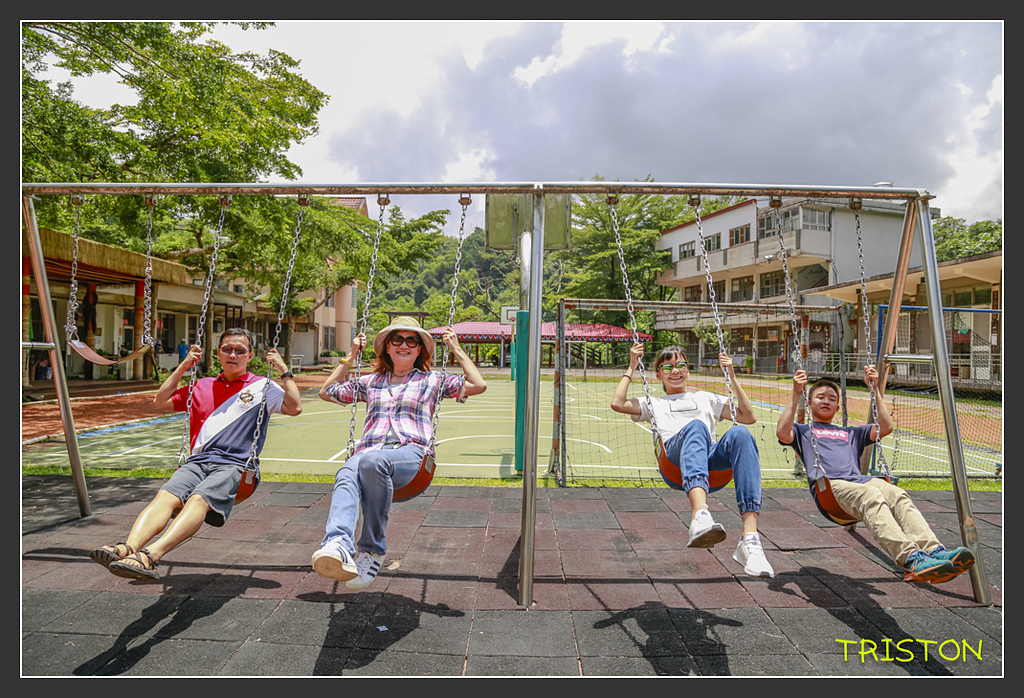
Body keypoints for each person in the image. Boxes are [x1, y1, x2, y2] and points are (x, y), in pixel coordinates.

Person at [89, 327, 302, 581]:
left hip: (234, 464)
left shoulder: (262, 387)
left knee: (199, 499)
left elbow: (294, 407)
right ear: (218, 354)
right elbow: (160, 402)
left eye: (240, 350)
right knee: (165, 497)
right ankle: (127, 548)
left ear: (250, 355)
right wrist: (183, 366)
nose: (232, 355)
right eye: (227, 349)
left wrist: (284, 371)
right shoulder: (201, 385)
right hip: (197, 462)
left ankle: (150, 556)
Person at [312, 316, 487, 591]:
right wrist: (350, 356)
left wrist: (456, 348)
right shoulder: (370, 382)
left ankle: (372, 550)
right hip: (372, 451)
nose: (404, 345)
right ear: (387, 348)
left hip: (411, 456)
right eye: (397, 339)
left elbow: (478, 384)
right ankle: (338, 544)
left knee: (369, 461)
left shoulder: (432, 380)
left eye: (411, 341)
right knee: (349, 469)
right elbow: (326, 392)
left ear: (419, 350)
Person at [776, 366, 975, 584]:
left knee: (897, 494)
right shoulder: (804, 431)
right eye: (820, 397)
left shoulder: (850, 432)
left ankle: (934, 551)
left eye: (832, 398)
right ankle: (912, 559)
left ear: (838, 407)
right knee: (870, 495)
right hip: (831, 488)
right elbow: (783, 433)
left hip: (859, 482)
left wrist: (874, 390)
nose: (826, 401)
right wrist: (796, 393)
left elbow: (885, 427)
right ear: (809, 403)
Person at [611, 342, 774, 578]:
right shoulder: (653, 403)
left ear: (688, 370)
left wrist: (732, 376)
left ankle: (750, 539)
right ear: (657, 375)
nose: (675, 371)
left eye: (681, 366)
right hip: (675, 462)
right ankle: (700, 514)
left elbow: (748, 417)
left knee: (741, 433)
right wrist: (632, 365)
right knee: (696, 427)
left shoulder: (705, 398)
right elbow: (617, 403)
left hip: (710, 464)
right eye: (667, 367)